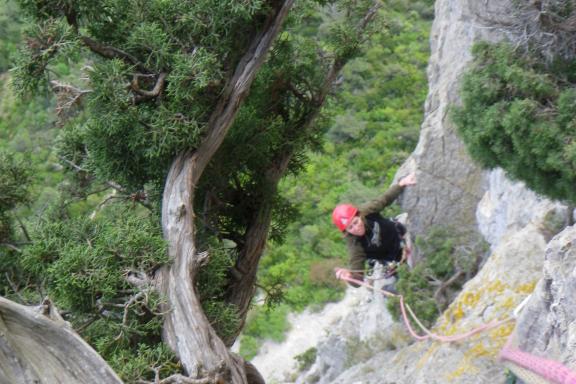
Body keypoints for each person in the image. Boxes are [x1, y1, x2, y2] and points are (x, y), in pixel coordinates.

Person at [332, 173, 416, 286]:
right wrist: (350, 277)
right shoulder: (355, 244)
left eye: (356, 222)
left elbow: (384, 199)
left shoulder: (367, 212)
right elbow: (358, 277)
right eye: (350, 227)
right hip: (394, 257)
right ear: (346, 231)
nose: (356, 228)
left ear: (359, 216)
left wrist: (401, 184)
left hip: (401, 233)